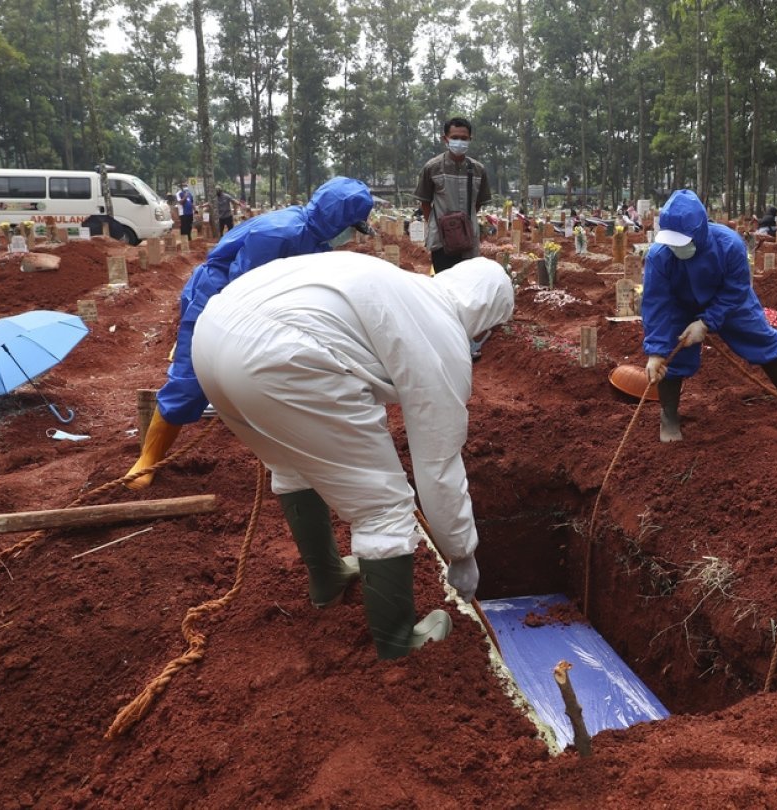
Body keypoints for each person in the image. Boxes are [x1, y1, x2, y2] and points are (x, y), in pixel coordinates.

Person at [190, 252, 515, 659]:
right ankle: (399, 643)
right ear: (487, 316)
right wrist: (462, 552)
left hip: (213, 334)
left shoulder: (407, 289)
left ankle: (326, 579)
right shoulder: (443, 331)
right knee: (384, 506)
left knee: (293, 463)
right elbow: (438, 466)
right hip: (281, 355)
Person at [125, 176, 374, 490]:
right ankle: (147, 459)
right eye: (351, 227)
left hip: (262, 303)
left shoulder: (316, 238)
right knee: (192, 381)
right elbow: (242, 287)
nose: (350, 235)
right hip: (217, 294)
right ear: (338, 220)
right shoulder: (280, 232)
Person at [641, 189, 777, 442]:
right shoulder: (659, 256)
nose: (677, 247)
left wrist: (707, 321)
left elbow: (736, 289)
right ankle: (669, 415)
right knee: (670, 351)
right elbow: (656, 304)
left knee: (759, 334)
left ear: (698, 231)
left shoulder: (729, 244)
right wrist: (656, 351)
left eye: (682, 240)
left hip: (726, 300)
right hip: (680, 304)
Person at [414, 116, 492, 274]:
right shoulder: (432, 168)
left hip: (468, 239)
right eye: (455, 137)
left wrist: (464, 223)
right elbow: (425, 201)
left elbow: (478, 202)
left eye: (464, 138)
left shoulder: (478, 170)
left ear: (470, 139)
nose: (459, 142)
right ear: (445, 139)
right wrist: (439, 224)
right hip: (441, 241)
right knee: (444, 284)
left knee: (467, 284)